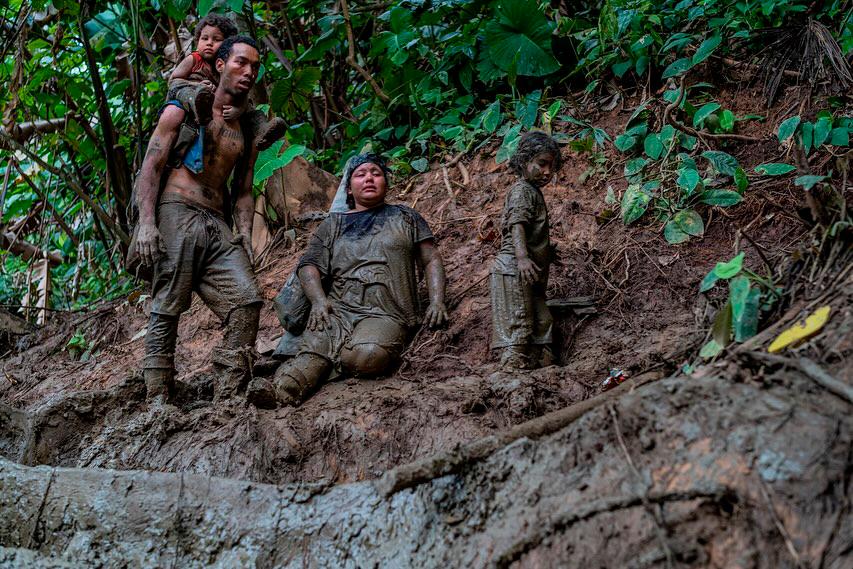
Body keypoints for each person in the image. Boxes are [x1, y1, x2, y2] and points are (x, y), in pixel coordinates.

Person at [247, 154, 449, 407]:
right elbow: (309, 267)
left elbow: (431, 259)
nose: (369, 179)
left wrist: (437, 302)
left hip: (388, 312)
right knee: (304, 366)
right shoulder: (333, 224)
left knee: (367, 356)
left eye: (375, 173)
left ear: (386, 181)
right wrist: (319, 302)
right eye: (360, 174)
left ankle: (329, 364)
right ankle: (278, 394)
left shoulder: (406, 217)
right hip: (337, 310)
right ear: (349, 187)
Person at [133, 36, 264, 406]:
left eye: (255, 66)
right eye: (241, 62)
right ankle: (157, 398)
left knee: (247, 302)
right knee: (168, 302)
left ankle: (228, 391)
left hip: (217, 222)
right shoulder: (182, 110)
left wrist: (244, 235)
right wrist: (147, 223)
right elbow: (151, 166)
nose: (249, 72)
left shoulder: (248, 129)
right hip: (177, 209)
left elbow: (243, 189)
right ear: (220, 65)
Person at [490, 131, 562, 369]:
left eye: (551, 166)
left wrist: (546, 252)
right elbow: (517, 224)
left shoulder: (531, 191)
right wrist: (522, 257)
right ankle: (510, 373)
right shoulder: (522, 190)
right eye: (541, 164)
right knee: (519, 324)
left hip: (527, 271)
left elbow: (529, 229)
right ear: (524, 161)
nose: (547, 172)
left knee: (543, 322)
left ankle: (542, 370)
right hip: (514, 269)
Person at [167, 14, 286, 151]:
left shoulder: (227, 67)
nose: (209, 43)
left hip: (212, 100)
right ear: (197, 40)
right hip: (187, 93)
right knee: (184, 91)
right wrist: (196, 86)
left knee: (250, 109)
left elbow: (242, 97)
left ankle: (262, 130)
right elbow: (174, 80)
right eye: (204, 38)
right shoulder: (193, 59)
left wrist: (238, 110)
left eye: (216, 39)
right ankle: (199, 105)